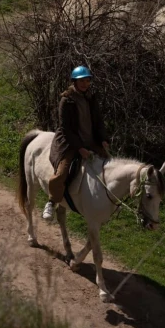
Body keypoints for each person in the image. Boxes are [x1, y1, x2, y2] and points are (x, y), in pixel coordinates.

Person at [43, 66, 110, 222]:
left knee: (109, 164)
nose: (85, 84)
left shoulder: (91, 98)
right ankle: (51, 202)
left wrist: (103, 139)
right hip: (69, 143)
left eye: (87, 81)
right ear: (75, 81)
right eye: (82, 81)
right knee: (61, 173)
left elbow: (98, 122)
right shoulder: (66, 100)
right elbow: (65, 128)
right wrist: (79, 148)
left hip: (90, 141)